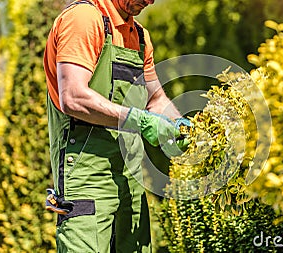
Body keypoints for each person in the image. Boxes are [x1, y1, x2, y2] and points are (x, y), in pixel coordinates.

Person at [43, 0, 190, 252]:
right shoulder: (83, 19)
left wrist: (179, 126)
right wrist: (140, 120)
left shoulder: (140, 35)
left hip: (130, 178)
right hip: (86, 177)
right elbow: (73, 97)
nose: (150, 1)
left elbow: (155, 99)